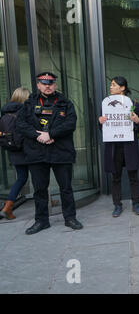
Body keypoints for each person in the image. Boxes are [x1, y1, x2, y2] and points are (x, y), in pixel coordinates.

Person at [16, 72, 83, 235]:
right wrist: (38, 135)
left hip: (61, 152)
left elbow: (70, 124)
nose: (47, 86)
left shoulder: (65, 103)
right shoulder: (29, 103)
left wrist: (51, 134)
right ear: (38, 85)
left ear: (55, 85)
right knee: (39, 189)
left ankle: (70, 218)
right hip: (36, 152)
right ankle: (41, 221)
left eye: (50, 83)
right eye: (44, 83)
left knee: (66, 188)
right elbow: (20, 124)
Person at [99, 77, 139, 217]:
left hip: (129, 146)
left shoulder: (134, 105)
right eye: (111, 85)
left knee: (133, 177)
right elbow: (104, 129)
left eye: (113, 85)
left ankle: (136, 204)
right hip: (114, 147)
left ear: (122, 87)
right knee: (116, 177)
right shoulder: (106, 104)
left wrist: (137, 121)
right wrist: (100, 123)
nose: (110, 87)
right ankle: (117, 205)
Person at [0, 87, 30, 220]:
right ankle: (7, 208)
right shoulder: (23, 111)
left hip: (13, 150)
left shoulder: (5, 112)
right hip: (27, 150)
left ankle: (7, 206)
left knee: (21, 178)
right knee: (40, 176)